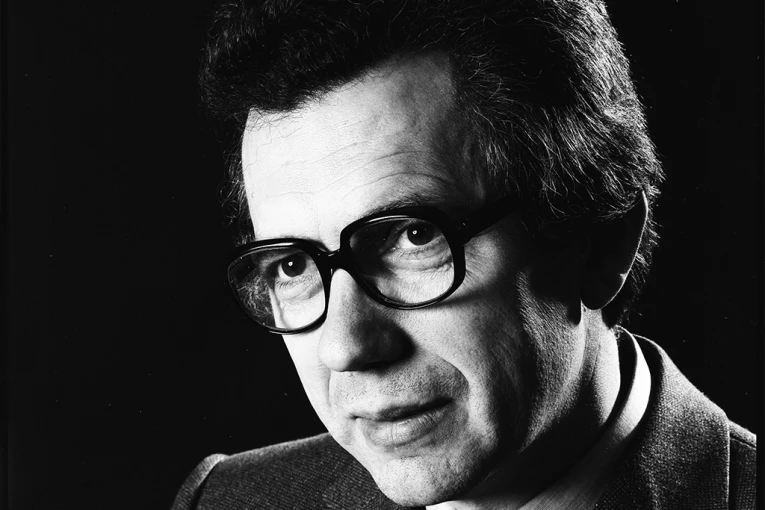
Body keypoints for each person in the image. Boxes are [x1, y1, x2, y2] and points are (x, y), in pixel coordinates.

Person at [172, 1, 756, 508]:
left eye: (413, 237)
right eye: (293, 266)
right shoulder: (225, 501)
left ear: (602, 242)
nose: (345, 347)